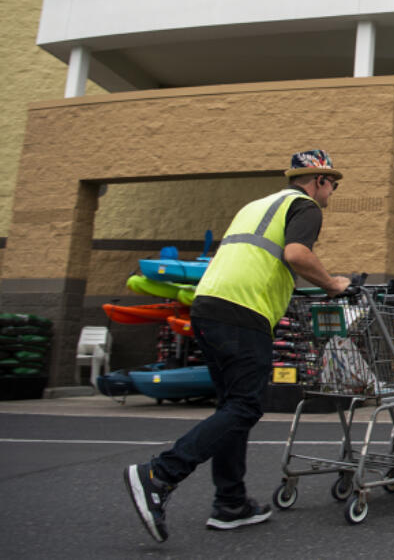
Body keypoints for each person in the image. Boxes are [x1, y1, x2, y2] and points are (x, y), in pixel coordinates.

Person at [124, 149, 353, 542]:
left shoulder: (257, 206)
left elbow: (256, 258)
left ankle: (230, 503)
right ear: (317, 180)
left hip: (208, 306)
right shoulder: (305, 206)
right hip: (243, 313)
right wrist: (332, 284)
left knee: (232, 406)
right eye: (331, 182)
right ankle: (159, 474)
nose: (332, 191)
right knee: (246, 406)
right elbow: (296, 253)